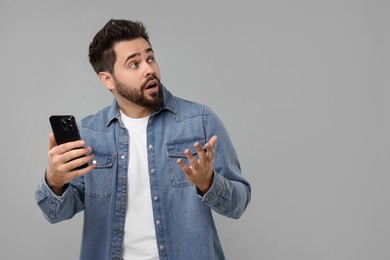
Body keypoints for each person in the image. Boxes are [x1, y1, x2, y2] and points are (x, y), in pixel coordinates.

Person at [35, 19, 251, 260]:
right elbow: (56, 214)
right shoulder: (90, 133)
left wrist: (208, 183)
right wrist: (54, 180)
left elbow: (238, 204)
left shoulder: (199, 120)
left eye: (150, 58)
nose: (149, 69)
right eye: (134, 64)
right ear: (108, 79)